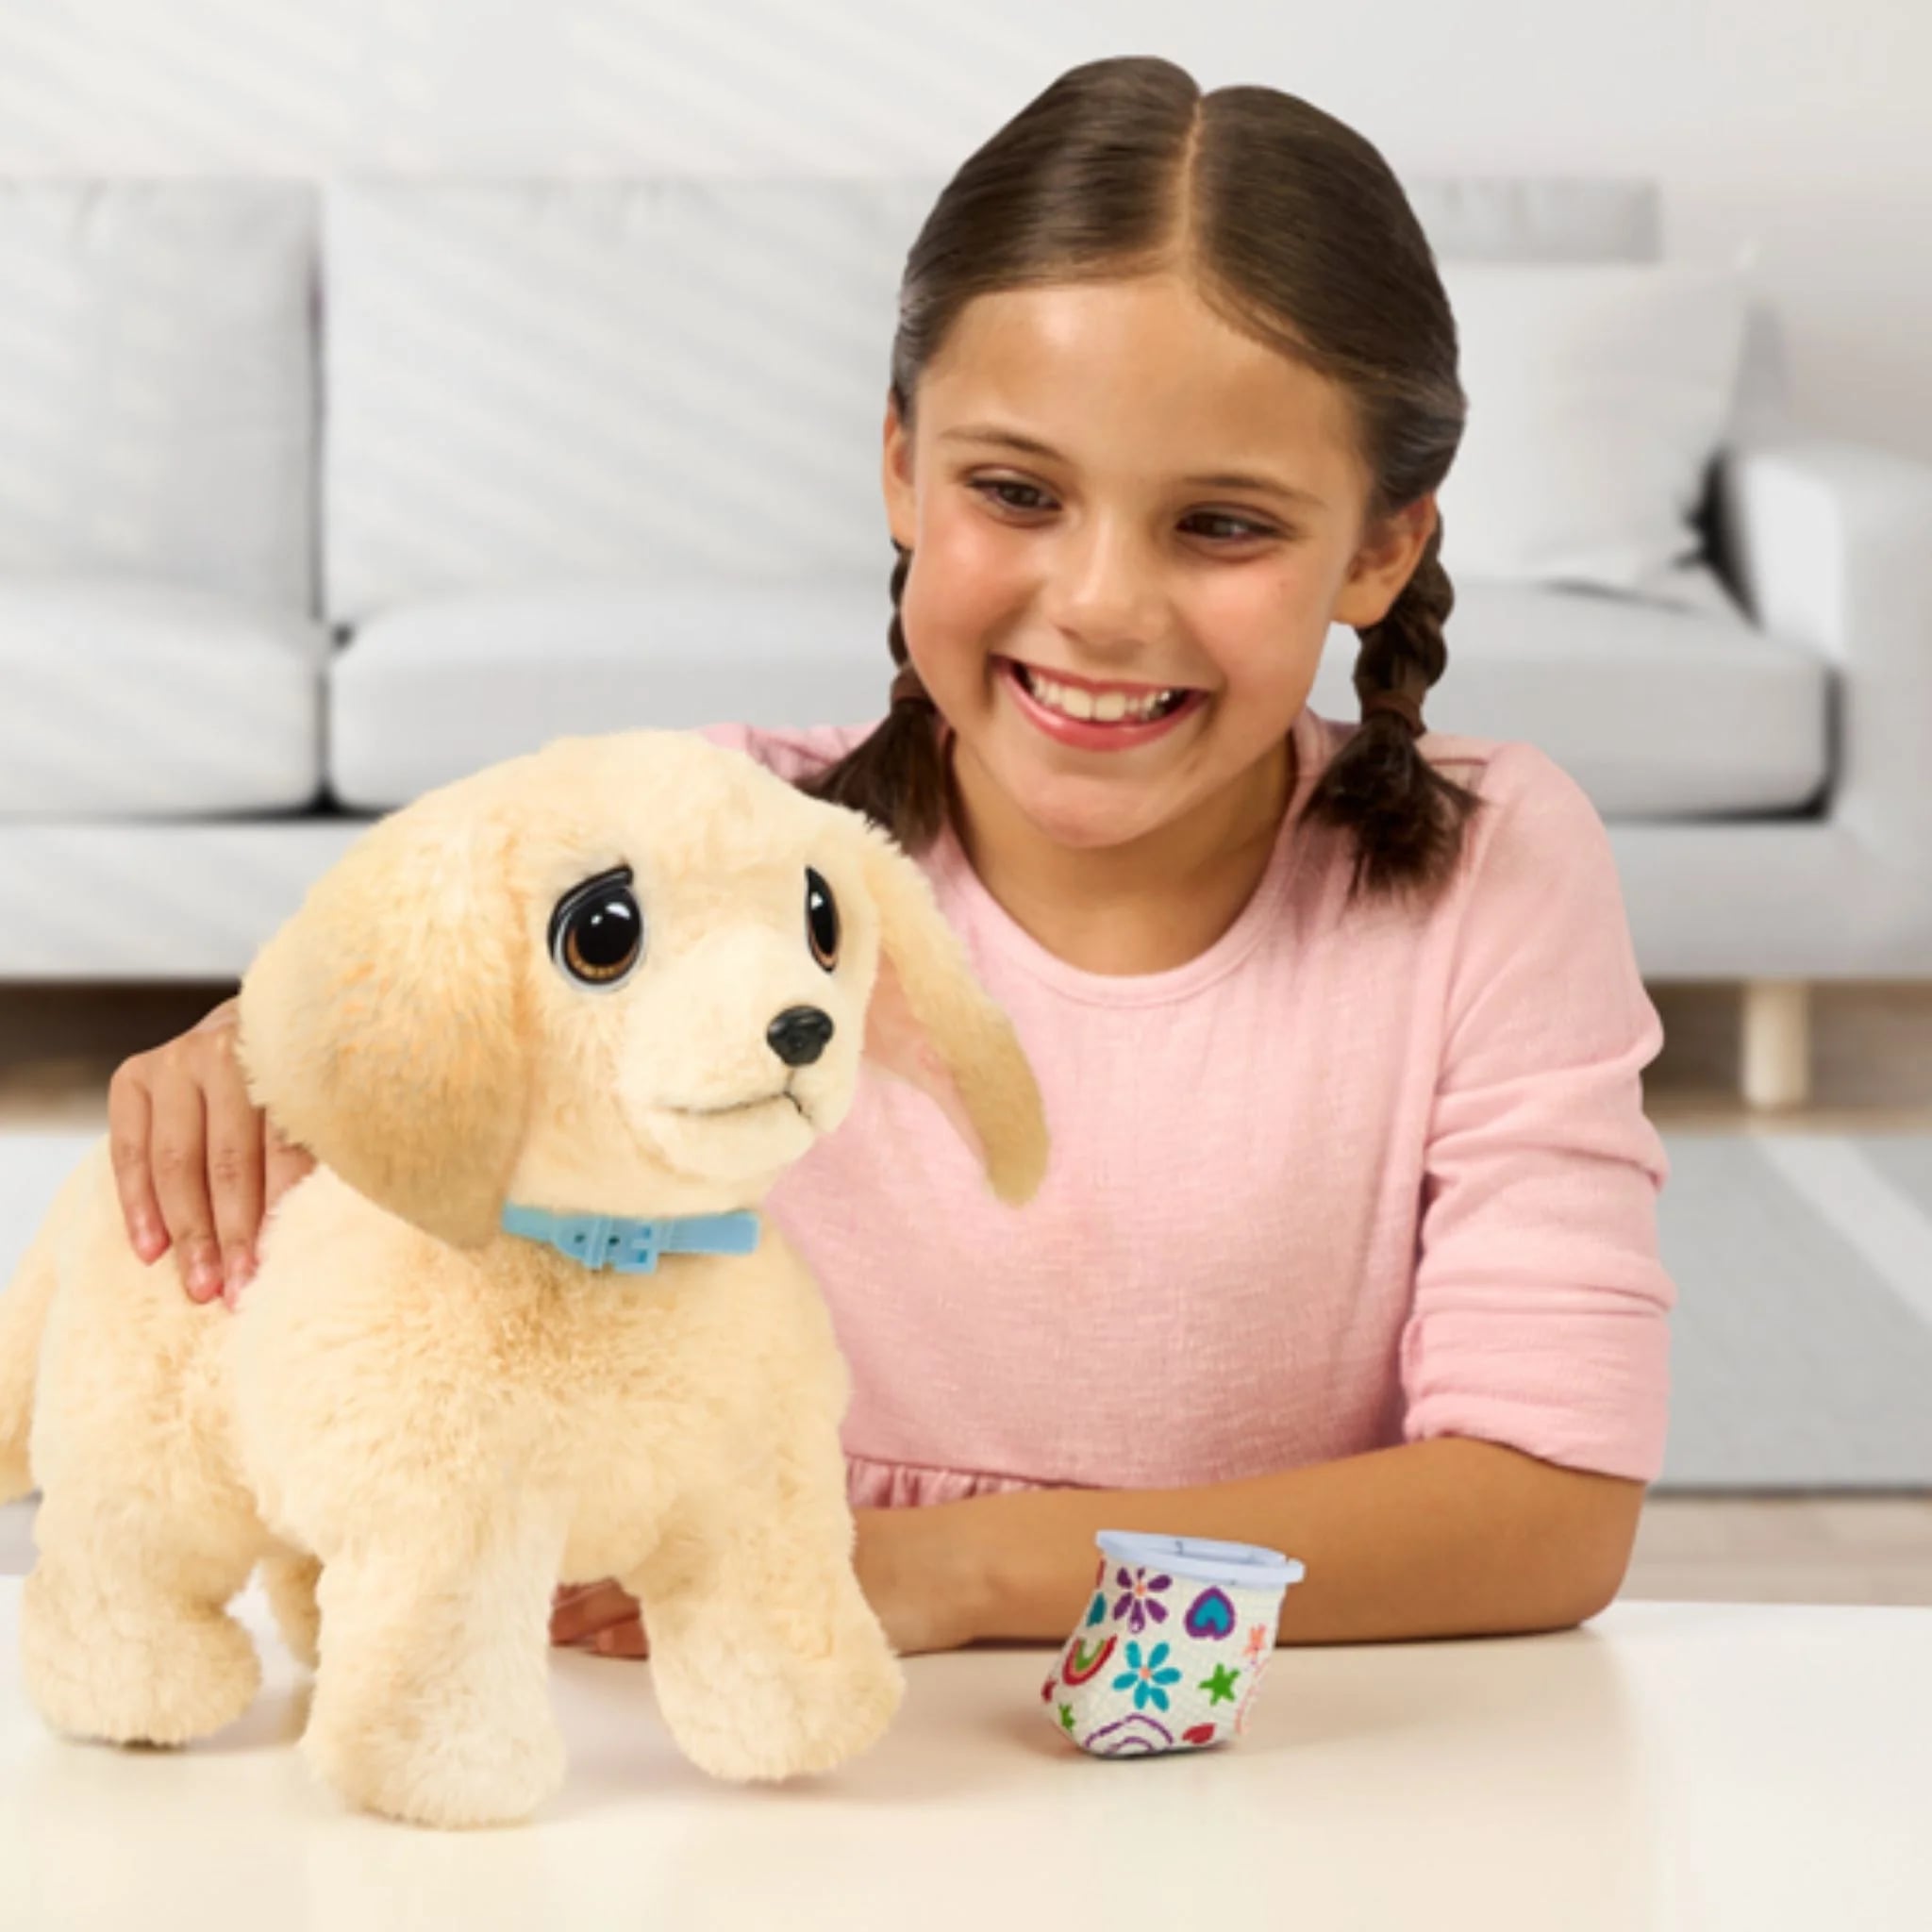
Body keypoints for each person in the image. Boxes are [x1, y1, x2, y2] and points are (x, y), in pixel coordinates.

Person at [104, 56, 1674, 1664]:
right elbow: (400, 1024)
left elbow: (1550, 1508)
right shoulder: (695, 843)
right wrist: (244, 1063)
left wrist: (946, 1570)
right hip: (735, 1744)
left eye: (1222, 525)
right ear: (902, 468)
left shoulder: (1490, 869)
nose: (1101, 606)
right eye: (1017, 492)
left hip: (1284, 1763)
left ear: (1382, 547)